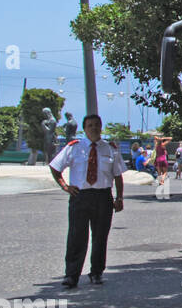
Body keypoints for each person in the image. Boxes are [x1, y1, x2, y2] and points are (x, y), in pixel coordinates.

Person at [49, 115, 125, 289]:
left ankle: (97, 272)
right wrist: (64, 186)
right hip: (80, 196)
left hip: (102, 197)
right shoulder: (74, 148)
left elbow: (118, 175)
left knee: (100, 237)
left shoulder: (110, 149)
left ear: (101, 127)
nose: (94, 128)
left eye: (97, 125)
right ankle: (71, 275)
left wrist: (119, 197)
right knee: (76, 236)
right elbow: (55, 167)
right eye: (90, 125)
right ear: (84, 128)